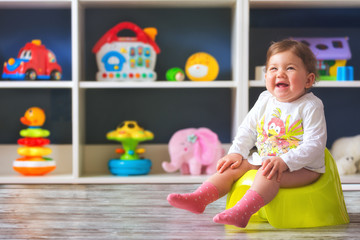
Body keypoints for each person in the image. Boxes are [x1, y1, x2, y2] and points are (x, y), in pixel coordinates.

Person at [166, 39, 327, 228]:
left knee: (266, 174)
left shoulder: (310, 106)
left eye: (290, 68)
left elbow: (315, 145)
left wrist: (284, 162)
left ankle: (243, 211)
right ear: (266, 75)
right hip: (266, 159)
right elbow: (248, 129)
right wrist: (236, 152)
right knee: (230, 169)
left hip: (303, 168)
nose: (280, 73)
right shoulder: (265, 99)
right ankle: (199, 198)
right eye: (273, 68)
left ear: (308, 79)